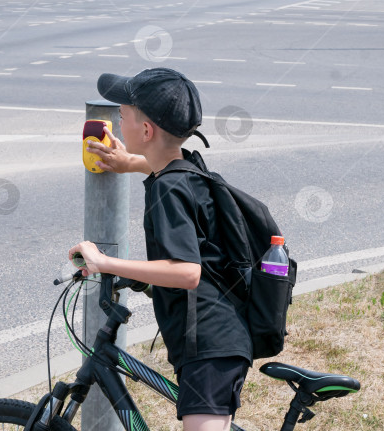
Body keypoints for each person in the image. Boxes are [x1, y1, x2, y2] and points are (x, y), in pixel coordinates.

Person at [67, 68, 251, 431]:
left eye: (123, 115)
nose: (117, 120)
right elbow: (164, 164)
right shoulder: (183, 170)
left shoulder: (168, 190)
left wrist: (105, 262)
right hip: (217, 339)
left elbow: (187, 271)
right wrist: (127, 162)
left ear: (147, 131)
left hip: (209, 348)